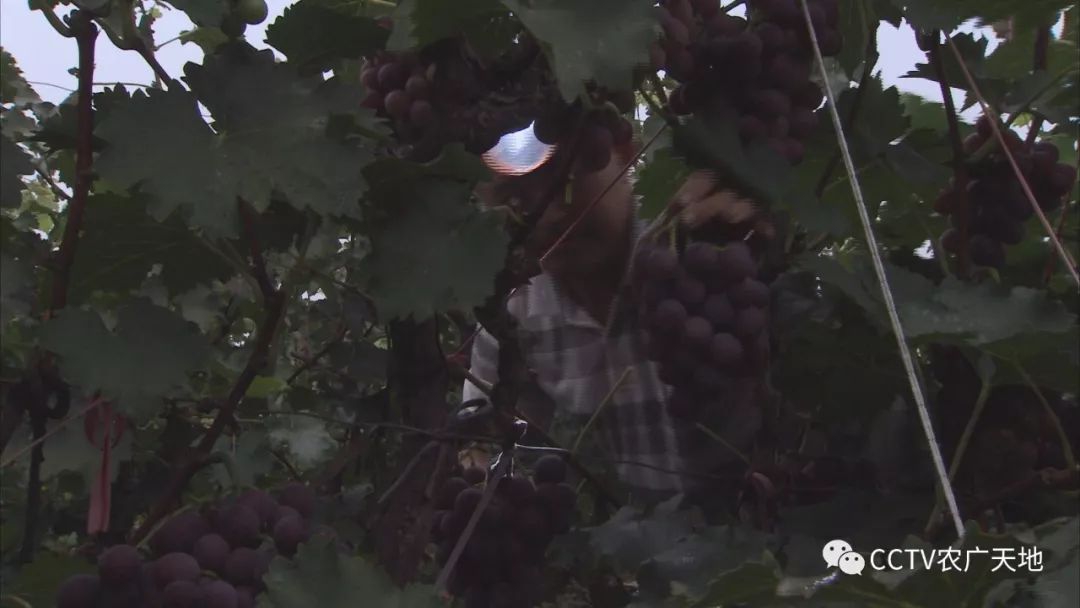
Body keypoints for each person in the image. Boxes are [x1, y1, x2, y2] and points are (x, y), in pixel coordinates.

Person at [463, 124, 763, 503]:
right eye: (515, 201)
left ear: (625, 153)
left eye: (568, 180)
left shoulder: (704, 257)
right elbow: (481, 442)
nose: (550, 214)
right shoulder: (512, 317)